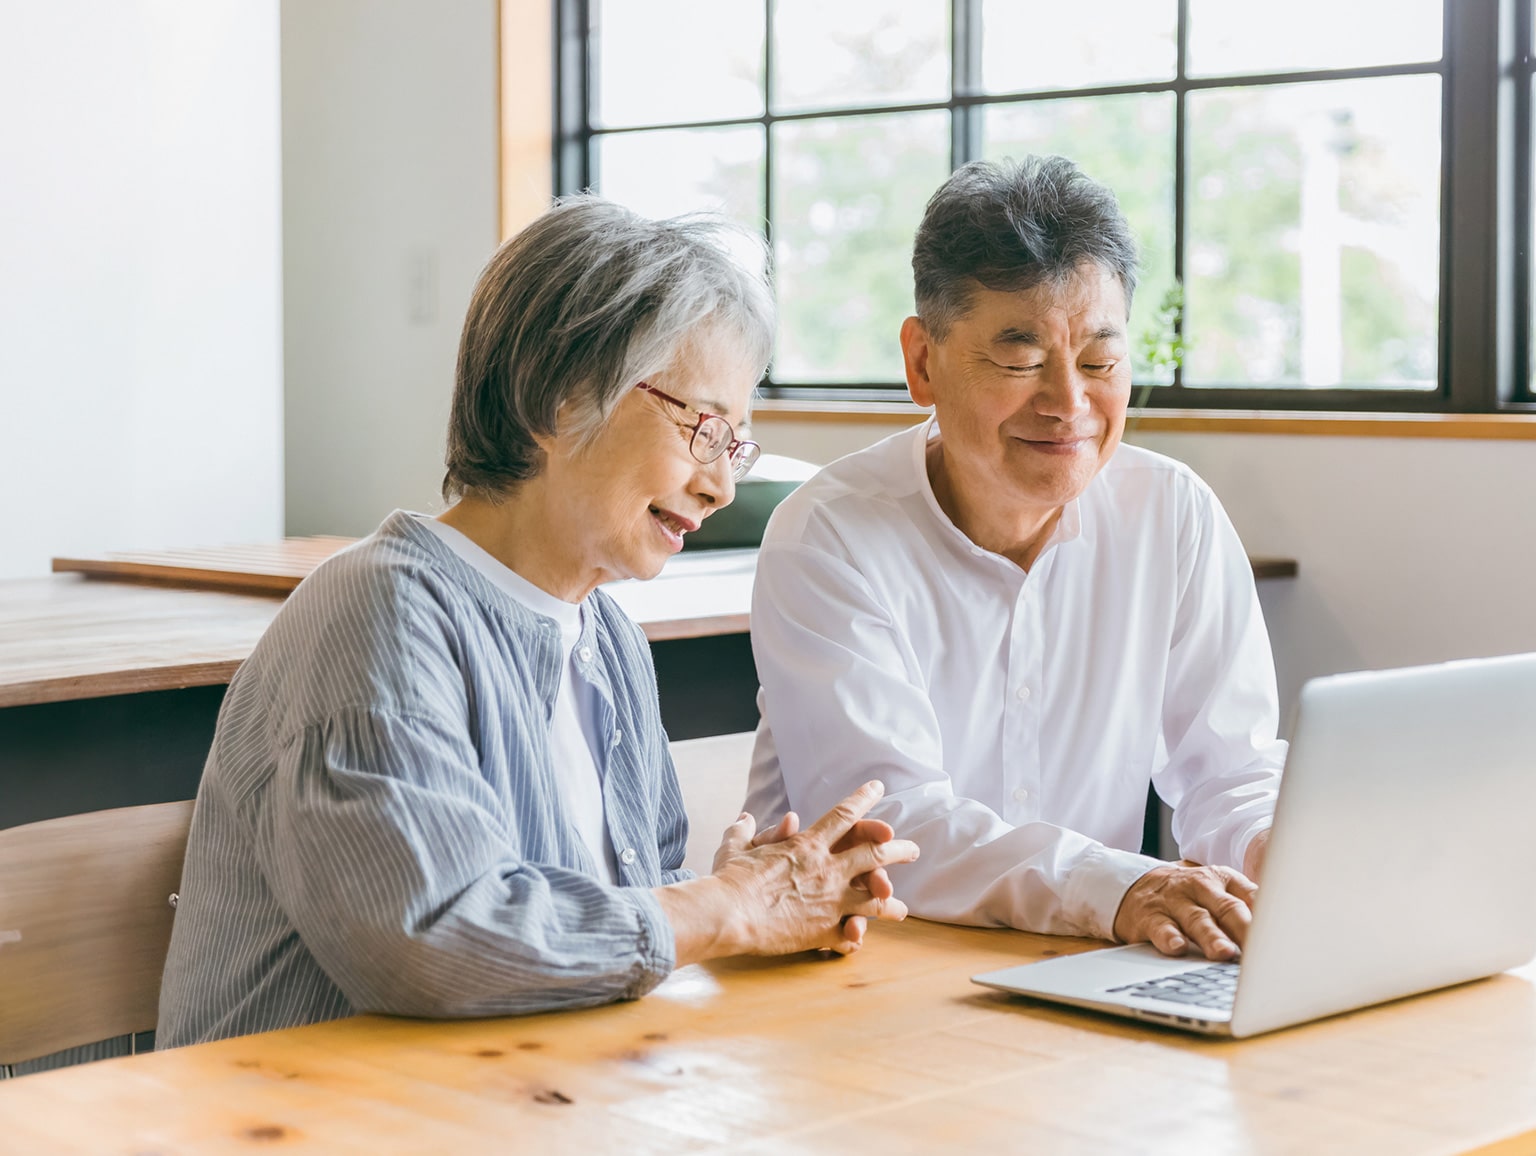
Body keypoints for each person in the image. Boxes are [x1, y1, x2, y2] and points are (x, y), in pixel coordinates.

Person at [157, 198, 918, 1049]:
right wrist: (723, 910)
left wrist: (742, 906)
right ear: (559, 401)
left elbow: (617, 924)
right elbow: (436, 938)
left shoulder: (608, 636)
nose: (721, 487)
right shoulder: (377, 612)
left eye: (733, 446)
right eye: (704, 430)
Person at [744, 156, 1283, 963]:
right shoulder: (828, 534)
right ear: (922, 362)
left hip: (1077, 966)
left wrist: (1275, 852)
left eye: (1100, 361)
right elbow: (892, 831)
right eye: (1021, 360)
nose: (1069, 403)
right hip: (871, 971)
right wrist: (1127, 890)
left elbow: (1230, 773)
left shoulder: (1173, 514)